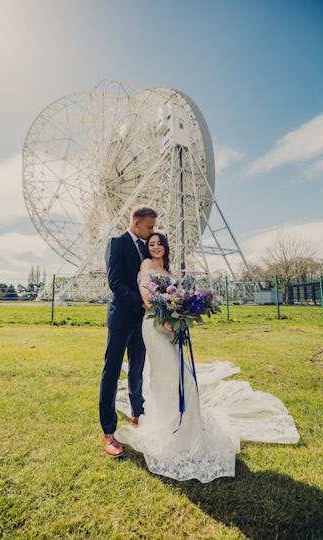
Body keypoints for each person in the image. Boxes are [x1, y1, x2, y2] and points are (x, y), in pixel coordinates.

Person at [115, 232, 300, 482]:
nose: (155, 246)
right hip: (156, 327)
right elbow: (148, 299)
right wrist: (166, 319)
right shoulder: (146, 265)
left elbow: (175, 300)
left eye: (159, 243)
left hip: (173, 329)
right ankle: (170, 432)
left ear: (166, 247)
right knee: (171, 378)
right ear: (148, 249)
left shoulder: (171, 273)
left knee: (182, 378)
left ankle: (185, 431)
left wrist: (181, 317)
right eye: (151, 244)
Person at [100, 205, 157, 457]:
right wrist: (141, 301)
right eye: (149, 227)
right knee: (112, 371)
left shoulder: (146, 248)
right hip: (122, 317)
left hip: (141, 320)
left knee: (137, 369)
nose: (152, 231)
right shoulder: (117, 243)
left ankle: (138, 412)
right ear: (136, 223)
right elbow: (116, 283)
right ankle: (109, 431)